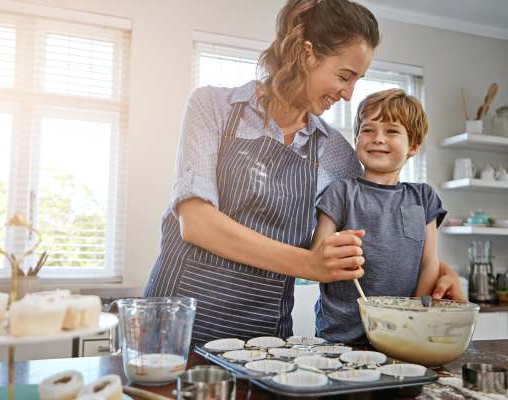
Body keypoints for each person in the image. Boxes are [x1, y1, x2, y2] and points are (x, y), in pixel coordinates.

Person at [144, 0, 465, 343]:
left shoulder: (335, 152)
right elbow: (196, 223)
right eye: (344, 76)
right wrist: (310, 265)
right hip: (176, 323)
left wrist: (440, 271)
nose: (348, 94)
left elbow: (374, 222)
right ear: (306, 53)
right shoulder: (212, 107)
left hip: (262, 338)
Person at [311, 89, 447, 343]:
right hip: (341, 333)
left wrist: (414, 315)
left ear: (414, 145)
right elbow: (317, 255)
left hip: (402, 331)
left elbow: (429, 264)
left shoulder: (423, 197)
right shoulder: (341, 191)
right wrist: (337, 253)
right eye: (368, 129)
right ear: (356, 140)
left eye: (392, 131)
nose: (377, 138)